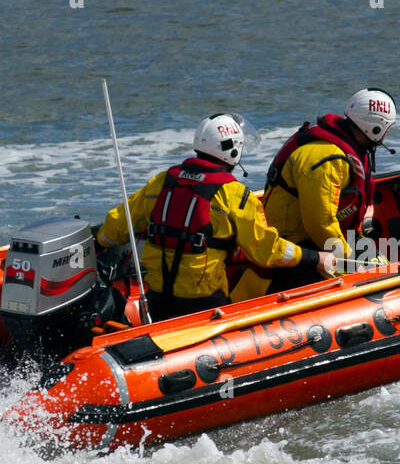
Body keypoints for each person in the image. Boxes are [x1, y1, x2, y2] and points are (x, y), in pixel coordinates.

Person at [96, 113, 336, 321]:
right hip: (203, 302)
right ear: (232, 149)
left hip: (158, 298)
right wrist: (314, 257)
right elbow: (267, 251)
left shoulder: (162, 182)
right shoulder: (234, 194)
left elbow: (117, 224)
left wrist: (99, 244)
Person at [232, 88, 396, 301]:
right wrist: (353, 262)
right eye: (387, 128)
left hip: (315, 237)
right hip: (300, 245)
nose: (388, 133)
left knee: (381, 263)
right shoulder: (327, 160)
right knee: (375, 274)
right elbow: (320, 224)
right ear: (375, 128)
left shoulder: (339, 146)